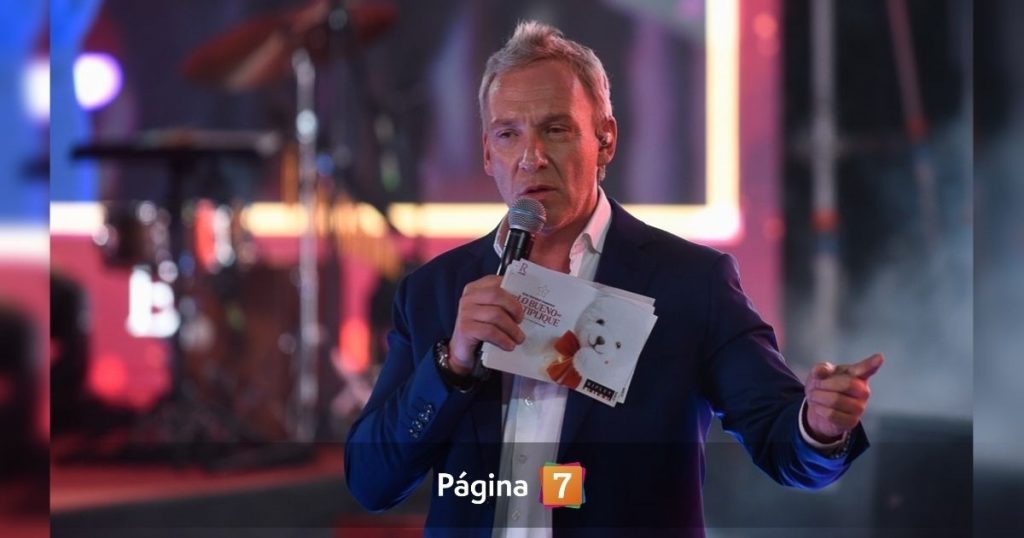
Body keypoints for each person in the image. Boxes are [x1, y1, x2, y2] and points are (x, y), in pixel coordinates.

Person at [345, 20, 883, 536]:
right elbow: (371, 482)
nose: (531, 157)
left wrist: (818, 427)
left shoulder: (690, 283)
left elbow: (785, 446)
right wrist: (451, 364)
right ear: (488, 153)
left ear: (605, 140)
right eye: (509, 134)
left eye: (556, 129)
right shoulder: (434, 292)